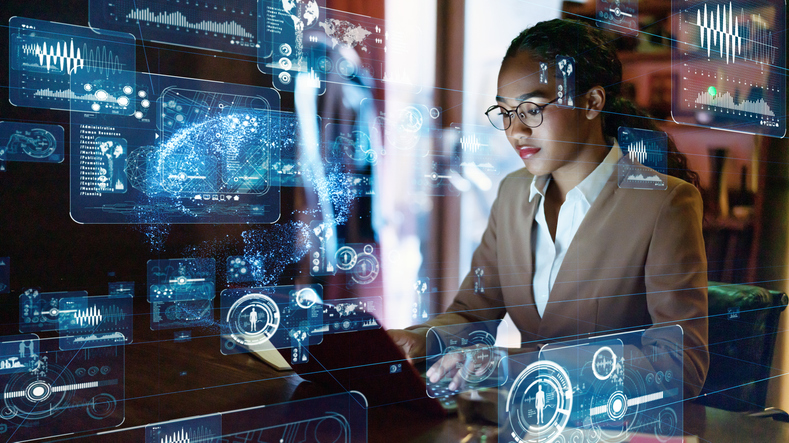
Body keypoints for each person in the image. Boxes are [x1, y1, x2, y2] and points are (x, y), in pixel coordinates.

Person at [388, 19, 709, 399]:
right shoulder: (512, 194)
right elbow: (473, 313)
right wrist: (417, 339)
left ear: (591, 103)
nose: (515, 131)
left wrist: (513, 366)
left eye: (533, 109)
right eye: (506, 112)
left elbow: (679, 365)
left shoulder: (664, 204)